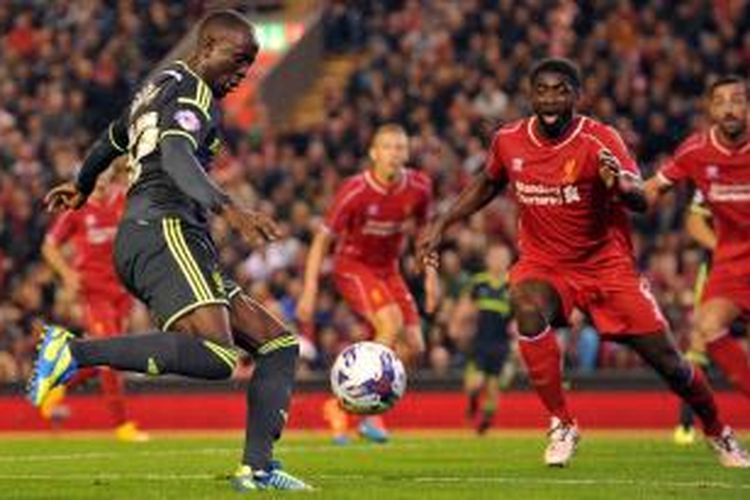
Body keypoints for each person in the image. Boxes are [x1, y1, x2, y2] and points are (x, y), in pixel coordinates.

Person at [27, 10, 310, 491]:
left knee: (279, 345)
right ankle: (73, 351)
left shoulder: (159, 83)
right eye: (237, 60)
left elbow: (113, 138)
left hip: (162, 234)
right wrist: (229, 208)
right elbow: (177, 156)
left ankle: (257, 468)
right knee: (219, 356)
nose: (243, 73)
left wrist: (81, 184)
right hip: (164, 228)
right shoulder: (193, 93)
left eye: (250, 63)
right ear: (207, 49)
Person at [418, 58, 749, 468]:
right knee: (524, 306)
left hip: (606, 266)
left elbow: (640, 199)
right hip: (545, 264)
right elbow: (488, 182)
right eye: (543, 90)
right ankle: (562, 422)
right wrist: (443, 221)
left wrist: (620, 185)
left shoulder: (600, 139)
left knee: (671, 363)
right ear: (531, 94)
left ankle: (719, 430)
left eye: (561, 90)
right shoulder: (509, 140)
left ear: (577, 95)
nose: (552, 98)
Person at [296, 123, 438, 444]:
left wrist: (431, 277)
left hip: (389, 269)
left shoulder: (419, 187)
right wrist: (309, 290)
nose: (394, 154)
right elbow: (321, 241)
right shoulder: (355, 191)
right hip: (352, 266)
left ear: (408, 152)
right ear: (374, 153)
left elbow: (425, 235)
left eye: (400, 147)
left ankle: (343, 405)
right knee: (390, 323)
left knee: (415, 345)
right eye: (387, 147)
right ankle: (365, 412)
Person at [644, 76, 750, 446]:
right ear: (710, 111)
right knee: (706, 327)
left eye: (738, 100)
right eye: (721, 102)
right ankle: (693, 424)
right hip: (731, 264)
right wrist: (617, 197)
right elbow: (654, 188)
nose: (730, 108)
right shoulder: (697, 152)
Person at [41, 164, 148, 442]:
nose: (100, 182)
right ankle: (122, 425)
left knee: (108, 354)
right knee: (110, 353)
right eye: (95, 177)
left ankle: (58, 381)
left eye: (104, 176)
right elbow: (48, 246)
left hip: (122, 291)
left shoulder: (123, 200)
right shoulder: (78, 208)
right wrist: (67, 275)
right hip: (93, 292)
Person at [457, 243, 515, 435]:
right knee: (476, 382)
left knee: (493, 387)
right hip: (481, 342)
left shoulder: (513, 285)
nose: (498, 262)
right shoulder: (479, 282)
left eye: (502, 258)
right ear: (487, 260)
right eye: (494, 257)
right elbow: (465, 306)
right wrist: (459, 324)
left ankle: (485, 424)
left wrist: (518, 338)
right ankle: (473, 401)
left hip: (501, 343)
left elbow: (520, 317)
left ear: (508, 261)